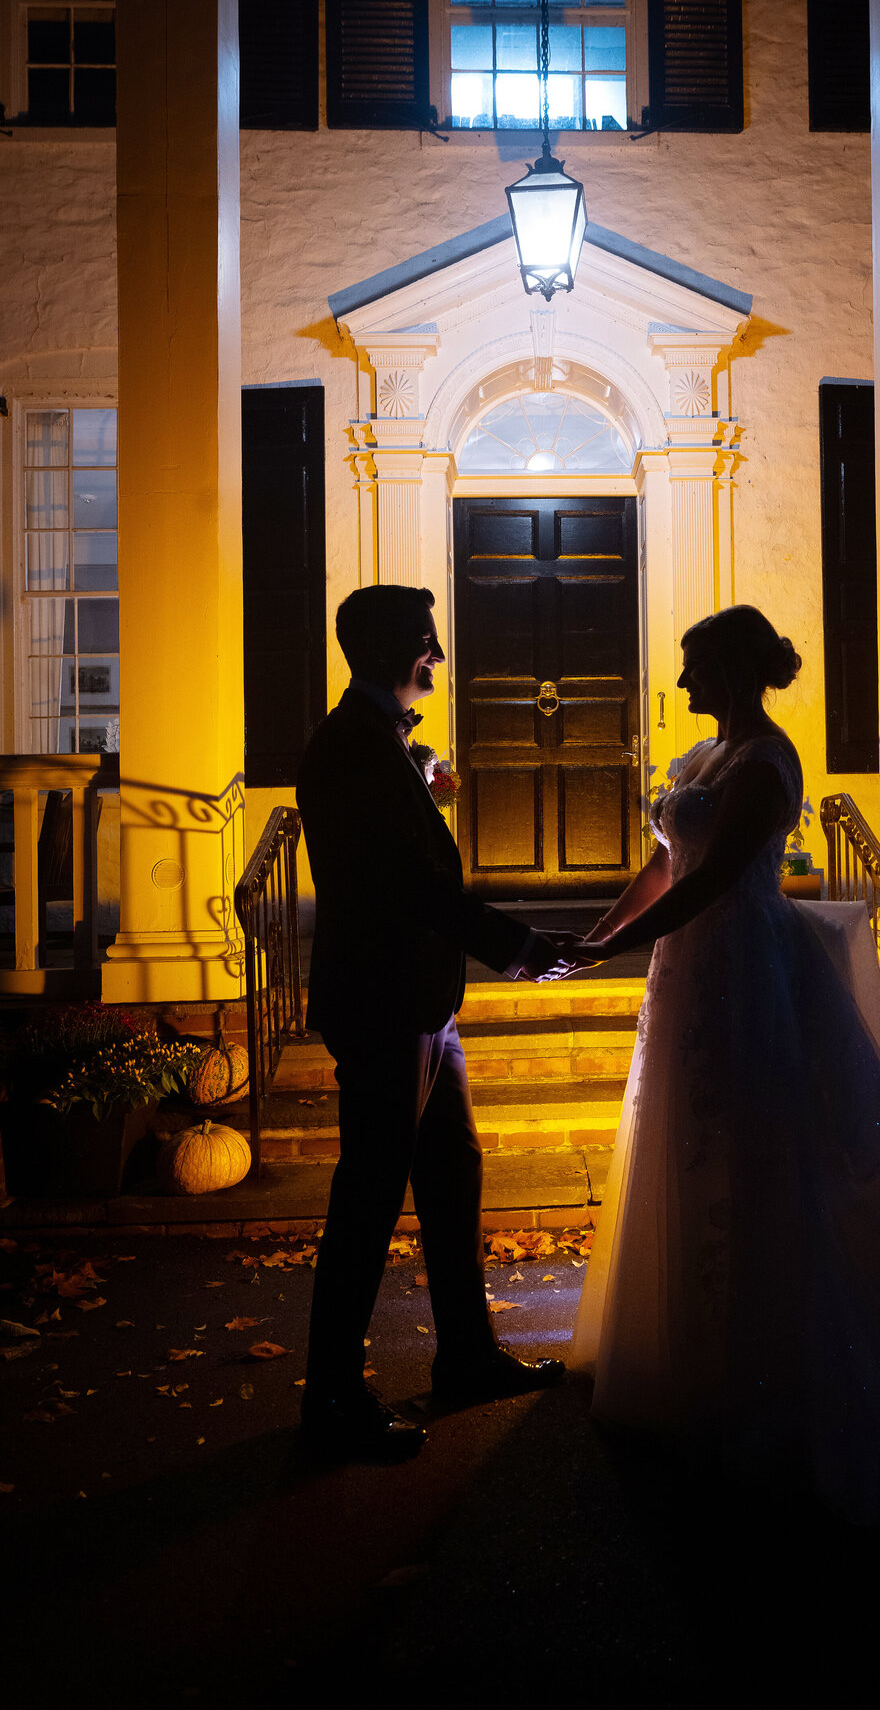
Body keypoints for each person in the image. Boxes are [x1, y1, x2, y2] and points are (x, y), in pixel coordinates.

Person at [562, 605, 880, 1523]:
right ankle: (697, 1359)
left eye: (694, 665)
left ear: (735, 670)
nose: (682, 682)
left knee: (764, 1165)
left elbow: (713, 880)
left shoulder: (766, 763)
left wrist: (620, 949)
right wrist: (597, 938)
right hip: (688, 974)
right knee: (689, 1144)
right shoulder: (699, 762)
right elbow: (666, 867)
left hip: (745, 970)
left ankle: (779, 1379)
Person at [297, 585, 567, 1461]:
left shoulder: (380, 744)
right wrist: (517, 945)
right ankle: (333, 1397)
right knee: (370, 1198)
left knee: (452, 1179)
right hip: (385, 1005)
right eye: (424, 641)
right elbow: (407, 885)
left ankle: (467, 1355)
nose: (439, 658)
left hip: (423, 1004)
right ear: (378, 647)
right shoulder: (352, 749)